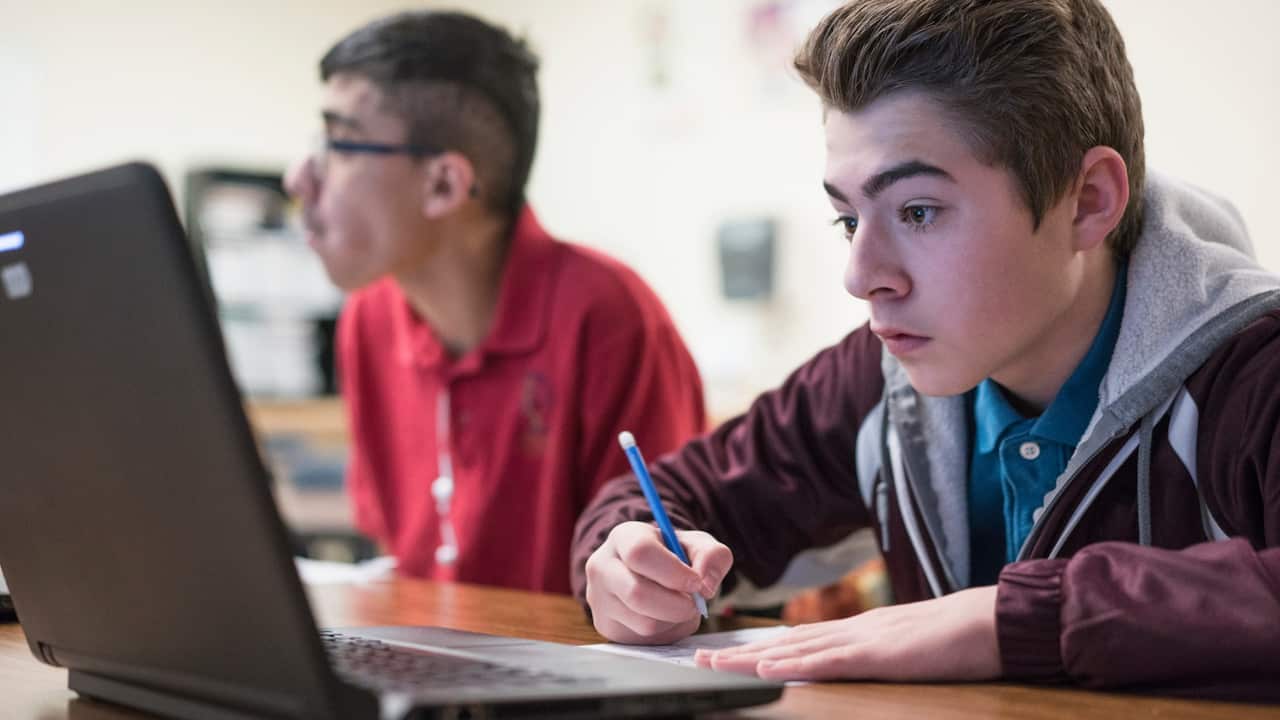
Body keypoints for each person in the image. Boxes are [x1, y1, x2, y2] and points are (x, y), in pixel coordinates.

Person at [573, 0, 1280, 700]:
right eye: (849, 219)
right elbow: (664, 497)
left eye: (917, 211)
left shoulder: (1255, 376)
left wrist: (1014, 622)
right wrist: (627, 559)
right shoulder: (880, 376)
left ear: (1088, 200)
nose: (860, 276)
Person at [285, 10, 705, 595]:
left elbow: (661, 579)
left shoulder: (607, 316)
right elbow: (400, 553)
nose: (298, 178)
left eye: (337, 143)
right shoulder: (368, 318)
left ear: (444, 185)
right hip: (430, 669)